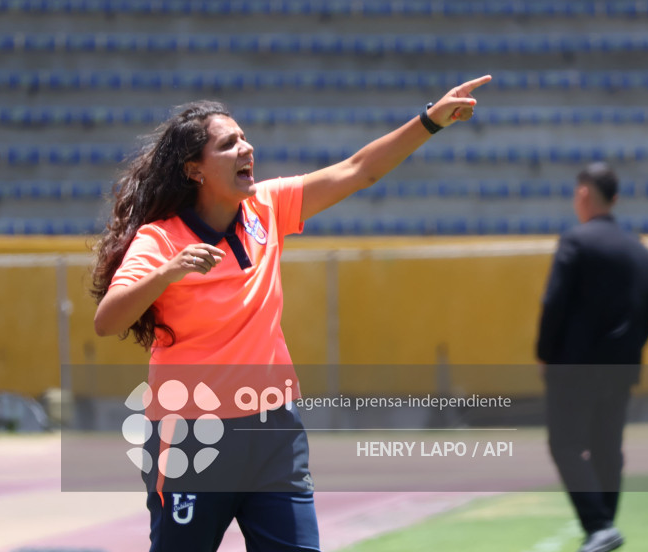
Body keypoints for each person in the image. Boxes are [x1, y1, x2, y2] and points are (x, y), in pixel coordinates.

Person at [92, 74, 491, 552]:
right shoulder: (160, 240)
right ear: (194, 170)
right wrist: (167, 273)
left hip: (274, 432)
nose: (246, 149)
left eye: (244, 138)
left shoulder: (266, 207)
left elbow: (358, 170)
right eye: (228, 144)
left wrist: (429, 121)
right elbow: (108, 321)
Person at [537, 163, 648, 552]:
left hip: (574, 367)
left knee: (565, 445)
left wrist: (544, 353)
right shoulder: (641, 251)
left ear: (584, 193)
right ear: (616, 199)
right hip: (621, 368)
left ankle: (599, 525)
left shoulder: (576, 242)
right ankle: (603, 526)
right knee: (608, 448)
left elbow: (554, 304)